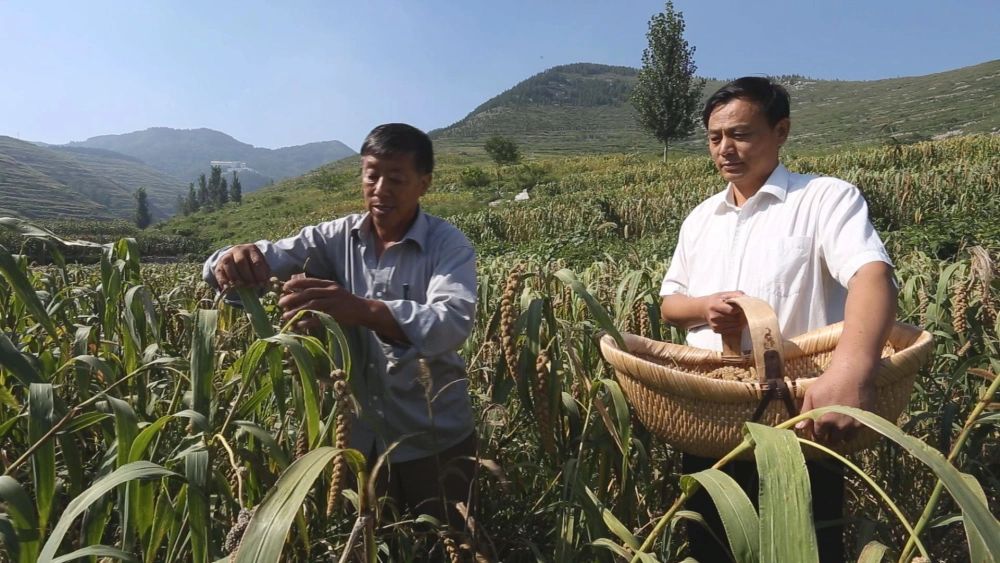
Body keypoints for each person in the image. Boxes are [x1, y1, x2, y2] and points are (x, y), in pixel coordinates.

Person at [658, 77, 898, 563]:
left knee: (804, 547)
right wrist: (705, 307)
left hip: (795, 421)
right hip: (710, 418)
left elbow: (874, 276)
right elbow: (670, 303)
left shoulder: (825, 199)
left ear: (781, 130)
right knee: (711, 547)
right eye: (715, 138)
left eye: (741, 134)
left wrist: (851, 372)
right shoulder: (701, 219)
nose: (726, 149)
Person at [202, 123, 479, 530]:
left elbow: (450, 324)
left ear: (424, 183)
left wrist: (364, 310)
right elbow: (255, 260)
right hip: (354, 440)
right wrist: (233, 258)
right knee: (364, 544)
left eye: (396, 178)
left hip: (432, 440)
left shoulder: (448, 245)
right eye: (372, 175)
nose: (381, 188)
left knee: (444, 542)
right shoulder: (333, 237)